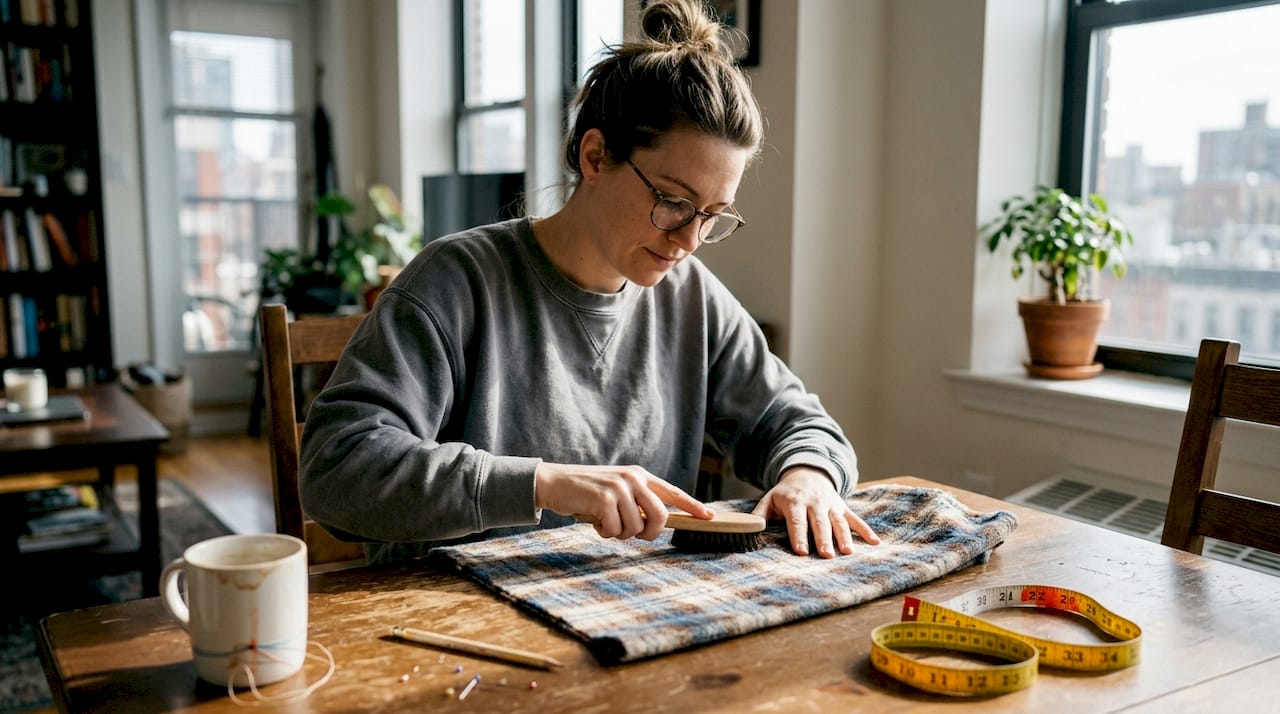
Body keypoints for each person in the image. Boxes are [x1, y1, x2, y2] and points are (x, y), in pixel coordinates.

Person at [299, 0, 880, 562]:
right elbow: (337, 470)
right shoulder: (457, 281)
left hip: (624, 616)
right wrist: (543, 484)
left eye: (713, 214)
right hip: (448, 626)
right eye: (674, 201)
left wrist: (809, 475)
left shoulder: (693, 298)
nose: (689, 239)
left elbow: (798, 422)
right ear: (596, 156)